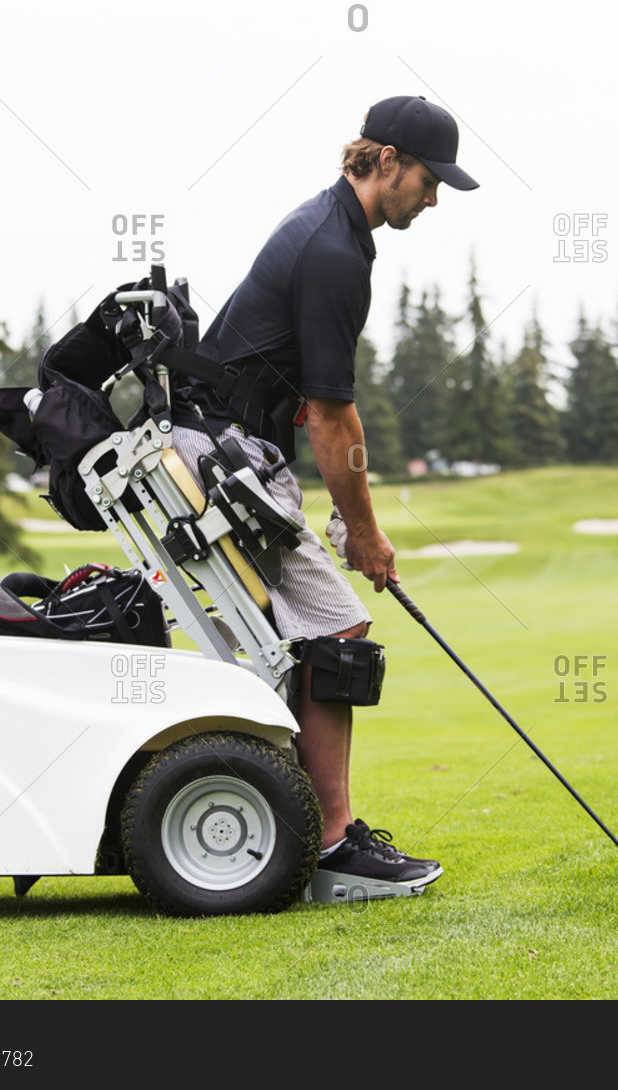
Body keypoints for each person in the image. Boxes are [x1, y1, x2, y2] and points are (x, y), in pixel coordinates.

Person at [168, 95, 478, 888]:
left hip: (222, 453)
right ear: (386, 162)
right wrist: (366, 533)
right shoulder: (336, 250)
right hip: (217, 460)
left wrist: (344, 510)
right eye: (430, 179)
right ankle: (332, 845)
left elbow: (311, 406)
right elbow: (336, 417)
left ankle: (306, 831)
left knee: (306, 640)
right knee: (338, 628)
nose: (434, 197)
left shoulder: (329, 229)